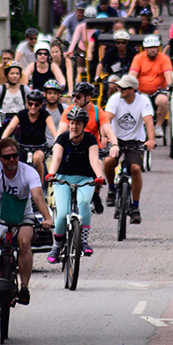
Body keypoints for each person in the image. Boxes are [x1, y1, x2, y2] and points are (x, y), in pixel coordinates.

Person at [0, 138, 54, 305]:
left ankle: (24, 287)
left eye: (15, 156)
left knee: (24, 242)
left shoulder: (29, 172)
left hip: (23, 216)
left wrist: (47, 218)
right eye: (7, 157)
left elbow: (37, 196)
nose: (12, 160)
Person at [45, 107, 107, 261]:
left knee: (84, 203)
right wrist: (51, 174)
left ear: (84, 125)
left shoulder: (90, 139)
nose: (74, 127)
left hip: (85, 179)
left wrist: (99, 176)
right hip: (63, 179)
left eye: (78, 124)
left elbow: (94, 159)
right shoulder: (62, 138)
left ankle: (84, 242)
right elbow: (57, 158)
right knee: (62, 214)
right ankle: (56, 247)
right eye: (72, 123)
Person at [102, 74, 154, 224]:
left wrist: (151, 140)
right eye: (119, 87)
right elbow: (106, 119)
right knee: (109, 161)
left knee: (135, 169)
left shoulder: (143, 101)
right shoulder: (115, 99)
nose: (120, 90)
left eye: (123, 88)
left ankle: (135, 206)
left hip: (135, 142)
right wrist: (103, 136)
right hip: (116, 140)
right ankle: (111, 188)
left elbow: (148, 122)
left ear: (132, 89)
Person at [0, 89, 54, 179]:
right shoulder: (22, 114)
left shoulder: (45, 114)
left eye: (36, 105)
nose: (33, 107)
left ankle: (40, 183)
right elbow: (10, 128)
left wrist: (58, 142)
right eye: (30, 104)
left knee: (37, 158)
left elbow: (53, 130)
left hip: (40, 146)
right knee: (15, 160)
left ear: (41, 105)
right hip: (22, 146)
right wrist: (2, 142)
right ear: (27, 103)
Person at [129, 34, 173, 139]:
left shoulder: (164, 59)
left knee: (164, 101)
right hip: (141, 92)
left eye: (155, 47)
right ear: (145, 48)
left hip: (158, 92)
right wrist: (129, 83)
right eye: (150, 48)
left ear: (158, 48)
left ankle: (158, 126)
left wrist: (170, 85)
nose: (152, 50)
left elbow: (168, 73)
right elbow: (133, 73)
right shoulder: (138, 58)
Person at [0, 61, 29, 144]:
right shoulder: (1, 89)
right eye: (12, 73)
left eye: (17, 74)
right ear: (7, 75)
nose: (15, 76)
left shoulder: (24, 89)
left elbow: (32, 100)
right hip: (4, 120)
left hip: (20, 120)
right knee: (0, 143)